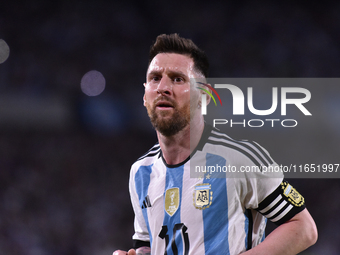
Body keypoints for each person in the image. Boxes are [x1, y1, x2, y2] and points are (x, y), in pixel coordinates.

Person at [113, 34, 317, 255]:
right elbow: (147, 244)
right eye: (155, 78)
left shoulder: (240, 158)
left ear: (204, 96)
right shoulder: (140, 172)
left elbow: (304, 228)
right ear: (145, 95)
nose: (163, 87)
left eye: (177, 79)